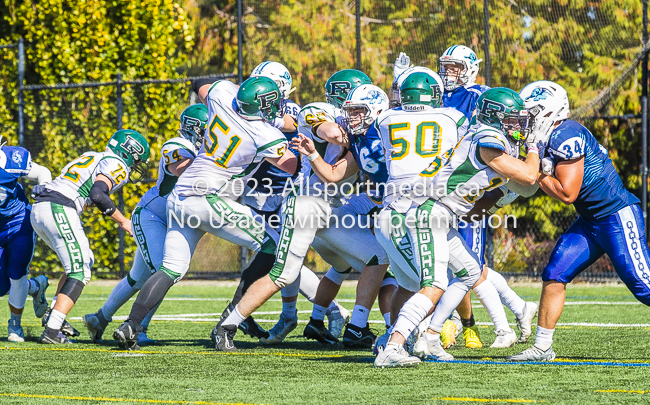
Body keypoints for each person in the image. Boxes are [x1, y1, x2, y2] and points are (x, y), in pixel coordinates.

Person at [113, 76, 297, 351]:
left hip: (180, 198)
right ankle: (230, 320)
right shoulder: (264, 133)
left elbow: (201, 83)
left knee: (171, 268)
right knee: (273, 243)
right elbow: (290, 166)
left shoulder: (222, 94)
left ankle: (131, 325)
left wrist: (238, 91)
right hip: (208, 198)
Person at [374, 87, 543, 367]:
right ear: (495, 117)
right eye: (512, 119)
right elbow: (526, 176)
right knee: (435, 283)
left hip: (440, 212)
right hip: (428, 210)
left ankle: (429, 336)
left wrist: (540, 167)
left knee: (470, 272)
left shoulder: (487, 138)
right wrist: (535, 149)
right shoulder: (487, 139)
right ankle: (393, 346)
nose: (518, 126)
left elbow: (526, 186)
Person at [507, 80, 650, 361]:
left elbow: (567, 193)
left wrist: (536, 173)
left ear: (549, 112)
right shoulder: (545, 139)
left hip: (616, 215)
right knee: (555, 272)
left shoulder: (566, 133)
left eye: (531, 112)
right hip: (590, 219)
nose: (526, 119)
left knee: (645, 286)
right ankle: (542, 348)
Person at [83, 104, 208, 345]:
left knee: (137, 279)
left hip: (172, 220)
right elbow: (181, 168)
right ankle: (138, 328)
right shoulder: (178, 145)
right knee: (164, 270)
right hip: (153, 216)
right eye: (207, 129)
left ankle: (99, 318)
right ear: (195, 129)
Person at [291, 83, 396, 347]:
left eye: (359, 111)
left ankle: (320, 321)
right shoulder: (358, 139)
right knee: (386, 268)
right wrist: (314, 153)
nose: (352, 117)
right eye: (351, 111)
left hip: (385, 204)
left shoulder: (390, 132)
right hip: (355, 209)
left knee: (343, 268)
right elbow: (333, 174)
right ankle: (382, 328)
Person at [32, 129, 150, 344]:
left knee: (84, 260)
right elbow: (98, 194)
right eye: (136, 160)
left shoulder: (92, 155)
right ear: (128, 152)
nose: (134, 166)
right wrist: (124, 221)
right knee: (80, 270)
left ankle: (54, 315)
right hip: (59, 207)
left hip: (43, 208)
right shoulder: (117, 164)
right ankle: (52, 331)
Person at [0, 139, 51, 342]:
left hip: (18, 222)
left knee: (16, 273)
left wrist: (43, 192)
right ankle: (37, 287)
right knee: (2, 287)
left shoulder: (12, 159)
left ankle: (15, 325)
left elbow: (42, 172)